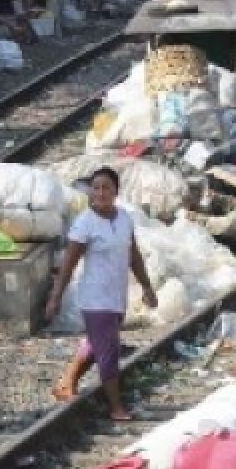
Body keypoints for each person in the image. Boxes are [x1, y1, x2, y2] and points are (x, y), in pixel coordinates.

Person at [46, 167, 157, 420]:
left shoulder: (125, 219)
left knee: (98, 345)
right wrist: (56, 296)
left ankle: (66, 382)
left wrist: (147, 286)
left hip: (116, 295)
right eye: (96, 188)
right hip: (95, 297)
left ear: (116, 191)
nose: (101, 193)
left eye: (106, 187)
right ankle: (116, 407)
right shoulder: (85, 223)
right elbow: (69, 264)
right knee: (109, 350)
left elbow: (133, 255)